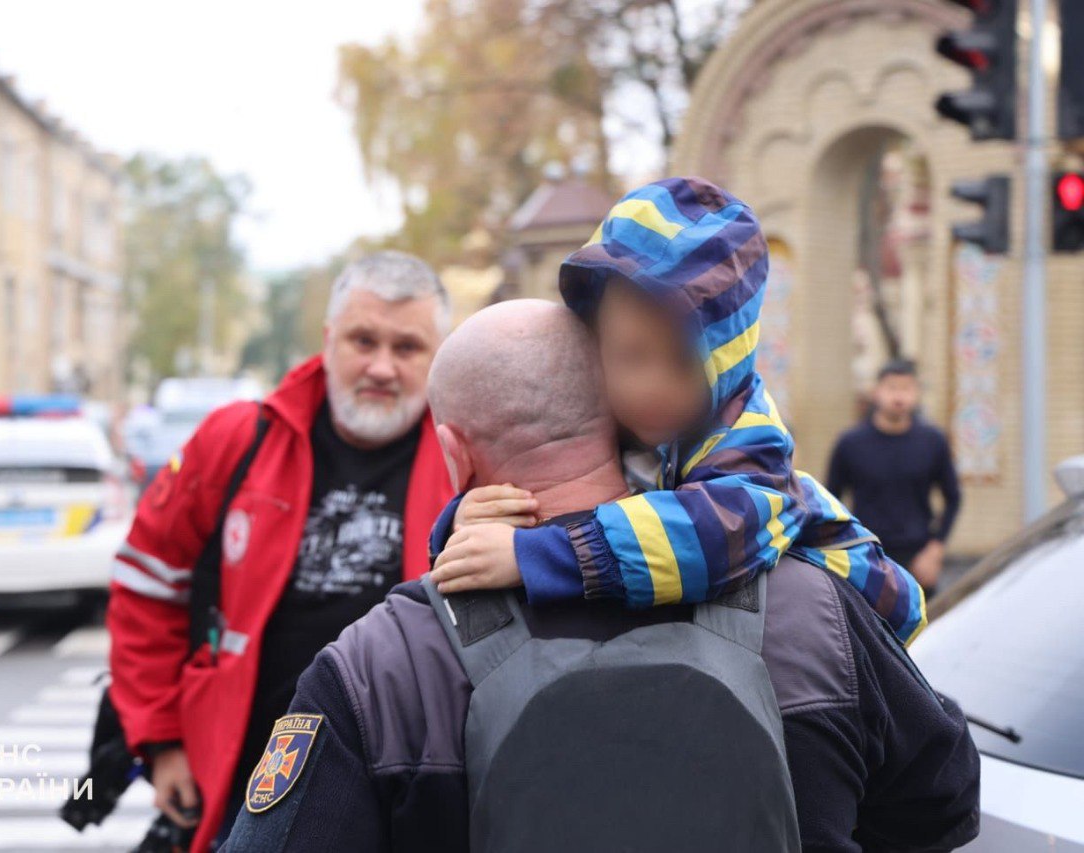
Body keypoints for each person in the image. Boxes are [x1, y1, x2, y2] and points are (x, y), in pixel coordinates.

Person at [222, 300, 980, 852]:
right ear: (624, 419)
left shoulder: (381, 663)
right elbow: (944, 801)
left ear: (454, 454)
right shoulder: (811, 606)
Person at [430, 178, 927, 644]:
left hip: (868, 612)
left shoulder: (749, 437)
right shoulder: (622, 420)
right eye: (631, 356)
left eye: (687, 363)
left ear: (729, 360)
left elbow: (706, 540)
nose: (654, 388)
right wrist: (465, 523)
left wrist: (532, 557)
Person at [106, 251, 455, 852]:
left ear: (437, 357)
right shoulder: (237, 440)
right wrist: (162, 741)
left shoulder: (468, 456)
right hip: (242, 783)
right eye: (363, 341)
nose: (381, 367)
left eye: (407, 347)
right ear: (328, 339)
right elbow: (147, 587)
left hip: (406, 789)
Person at [827, 359, 962, 596]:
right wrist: (844, 552)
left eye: (906, 388)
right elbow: (830, 501)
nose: (899, 396)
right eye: (892, 388)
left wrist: (935, 549)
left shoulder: (932, 441)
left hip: (918, 558)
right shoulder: (850, 443)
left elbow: (953, 498)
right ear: (877, 392)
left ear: (917, 393)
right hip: (866, 556)